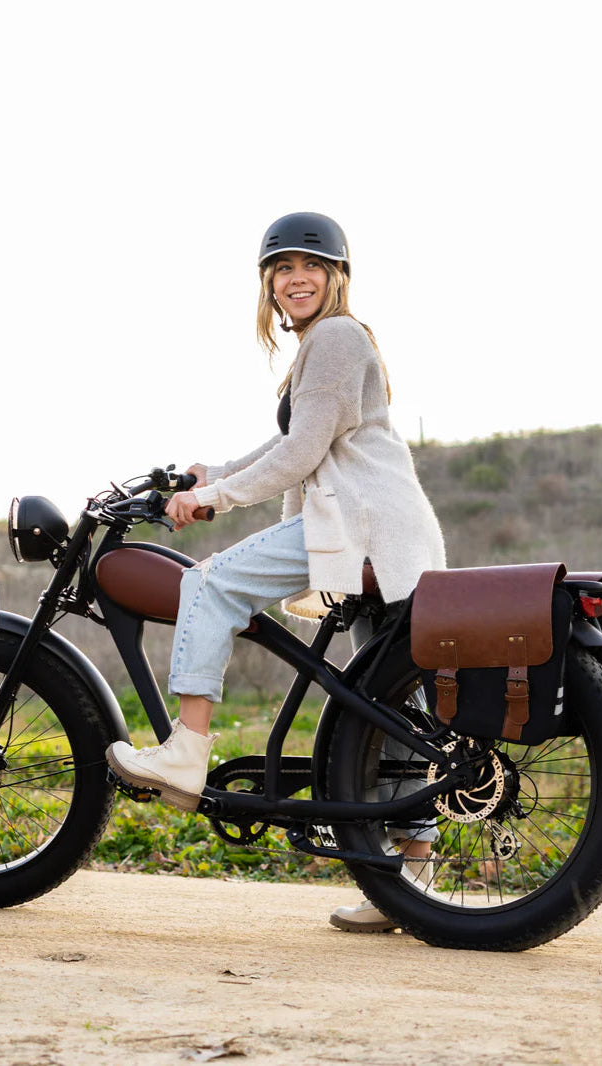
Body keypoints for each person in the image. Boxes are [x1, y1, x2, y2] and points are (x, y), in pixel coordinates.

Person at [106, 211, 447, 932]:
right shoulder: (326, 348)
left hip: (357, 524)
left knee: (206, 583)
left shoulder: (335, 336)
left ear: (337, 277)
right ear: (269, 285)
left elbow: (298, 458)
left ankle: (185, 753)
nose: (296, 279)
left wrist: (212, 498)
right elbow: (292, 440)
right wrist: (213, 470)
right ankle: (410, 878)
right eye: (282, 269)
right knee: (387, 710)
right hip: (385, 532)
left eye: (310, 267)